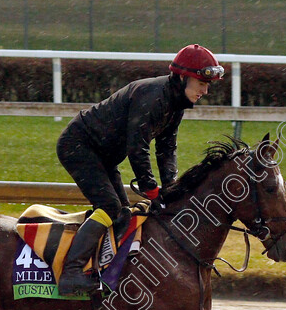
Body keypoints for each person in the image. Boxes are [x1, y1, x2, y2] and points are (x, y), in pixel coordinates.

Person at [56, 44, 225, 296]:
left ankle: (101, 271)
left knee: (123, 215)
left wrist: (170, 189)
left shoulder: (175, 103)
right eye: (200, 82)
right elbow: (138, 147)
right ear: (182, 77)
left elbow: (166, 149)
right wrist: (151, 189)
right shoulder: (154, 96)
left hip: (102, 155)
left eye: (207, 84)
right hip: (79, 147)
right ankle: (70, 274)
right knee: (110, 208)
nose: (205, 90)